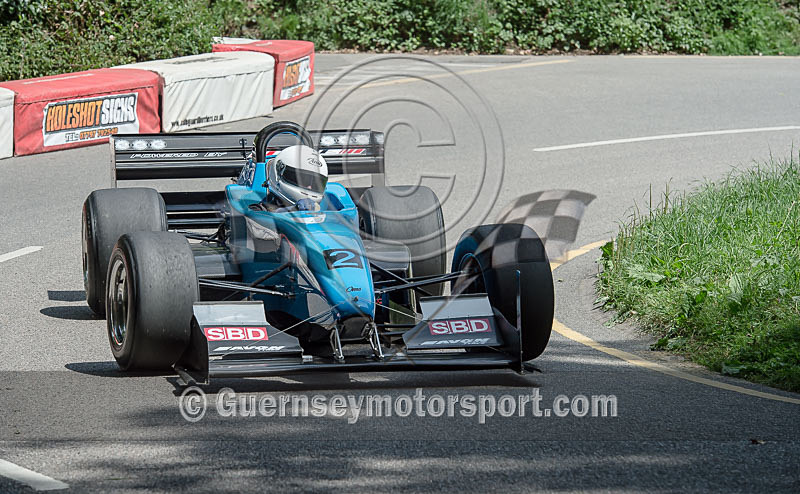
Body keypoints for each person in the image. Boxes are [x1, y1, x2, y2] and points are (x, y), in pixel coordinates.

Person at [251, 144, 329, 212]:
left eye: (316, 183)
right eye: (304, 180)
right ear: (279, 175)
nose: (309, 187)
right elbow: (255, 216)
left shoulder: (328, 206)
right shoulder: (258, 209)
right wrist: (293, 210)